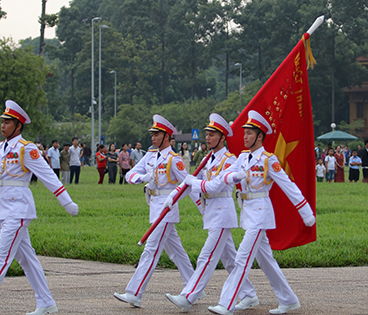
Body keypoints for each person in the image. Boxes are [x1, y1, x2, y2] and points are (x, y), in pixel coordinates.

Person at [0, 100, 79, 315]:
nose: (3, 125)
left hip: (18, 208)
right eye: (3, 121)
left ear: (18, 126)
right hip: (3, 208)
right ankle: (46, 303)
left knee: (1, 256)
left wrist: (66, 201)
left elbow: (47, 176)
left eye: (8, 122)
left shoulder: (27, 149)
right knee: (27, 259)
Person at [199, 110, 315, 315]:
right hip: (247, 212)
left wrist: (305, 212)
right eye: (244, 133)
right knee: (266, 260)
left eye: (250, 133)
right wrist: (218, 180)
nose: (245, 136)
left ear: (260, 136)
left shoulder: (269, 160)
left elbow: (288, 185)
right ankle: (288, 299)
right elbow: (227, 174)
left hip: (260, 213)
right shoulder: (243, 157)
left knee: (242, 257)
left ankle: (226, 304)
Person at [166, 113, 256, 311]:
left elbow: (214, 186)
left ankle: (188, 296)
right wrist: (173, 196)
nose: (208, 137)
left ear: (223, 138)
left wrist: (194, 182)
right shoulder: (209, 159)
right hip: (212, 212)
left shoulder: (230, 160)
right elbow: (190, 185)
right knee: (230, 260)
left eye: (213, 134)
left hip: (222, 212)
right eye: (207, 133)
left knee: (206, 257)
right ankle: (249, 294)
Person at [114, 115, 194, 308]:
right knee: (177, 252)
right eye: (152, 134)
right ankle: (194, 286)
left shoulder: (174, 159)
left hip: (166, 209)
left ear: (166, 136)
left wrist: (173, 199)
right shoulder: (150, 155)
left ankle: (135, 292)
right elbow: (130, 174)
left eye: (157, 134)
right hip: (154, 204)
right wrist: (142, 178)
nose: (153, 137)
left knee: (151, 249)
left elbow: (188, 184)